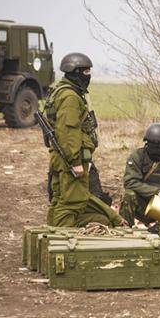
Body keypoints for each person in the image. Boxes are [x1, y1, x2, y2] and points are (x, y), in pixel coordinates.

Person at [44, 52, 124, 227]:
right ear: (74, 72)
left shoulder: (63, 92)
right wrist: (75, 161)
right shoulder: (70, 97)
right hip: (69, 160)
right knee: (70, 204)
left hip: (62, 158)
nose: (88, 76)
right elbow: (69, 131)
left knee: (61, 200)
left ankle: (50, 235)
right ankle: (61, 243)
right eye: (85, 72)